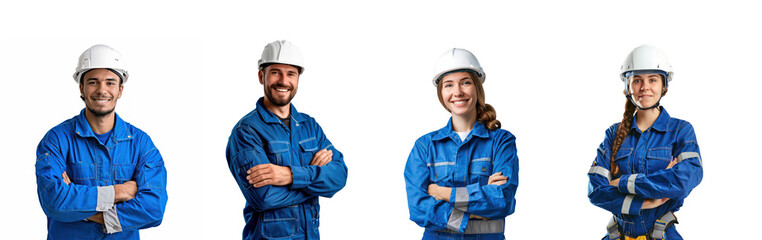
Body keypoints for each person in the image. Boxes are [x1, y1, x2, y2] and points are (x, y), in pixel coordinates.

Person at [35, 44, 168, 239]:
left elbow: (153, 209)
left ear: (120, 90)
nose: (102, 90)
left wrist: (86, 212)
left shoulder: (141, 143)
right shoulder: (56, 140)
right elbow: (53, 200)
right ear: (81, 88)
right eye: (93, 82)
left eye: (110, 82)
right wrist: (119, 192)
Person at [226, 40, 348, 240]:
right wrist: (316, 181)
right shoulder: (246, 132)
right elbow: (263, 198)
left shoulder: (309, 125)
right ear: (261, 76)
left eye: (291, 74)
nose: (283, 81)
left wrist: (289, 176)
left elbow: (339, 176)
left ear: (297, 79)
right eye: (275, 72)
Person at [587, 45, 703, 240]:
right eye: (637, 80)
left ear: (664, 85)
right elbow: (596, 191)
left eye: (653, 80)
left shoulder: (681, 131)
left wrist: (621, 182)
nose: (645, 87)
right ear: (627, 86)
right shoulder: (613, 134)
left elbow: (683, 181)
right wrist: (645, 201)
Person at [404, 48, 519, 240]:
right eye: (448, 85)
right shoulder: (425, 146)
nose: (457, 92)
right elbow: (418, 208)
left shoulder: (501, 141)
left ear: (477, 88)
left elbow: (502, 200)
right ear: (441, 93)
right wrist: (472, 215)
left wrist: (443, 193)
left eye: (465, 83)